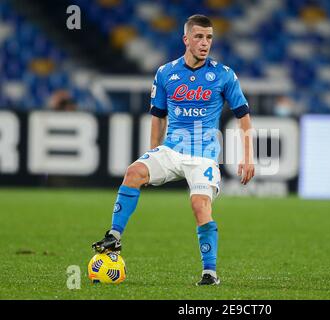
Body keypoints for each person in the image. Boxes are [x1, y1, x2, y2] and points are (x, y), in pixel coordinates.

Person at [92, 14, 255, 286]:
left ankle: (210, 273)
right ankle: (114, 236)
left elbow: (244, 117)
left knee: (199, 205)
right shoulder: (166, 73)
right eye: (199, 37)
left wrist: (248, 157)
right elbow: (158, 115)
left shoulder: (224, 75)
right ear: (186, 39)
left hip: (203, 155)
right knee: (134, 172)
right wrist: (153, 154)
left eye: (209, 37)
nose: (205, 43)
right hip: (170, 150)